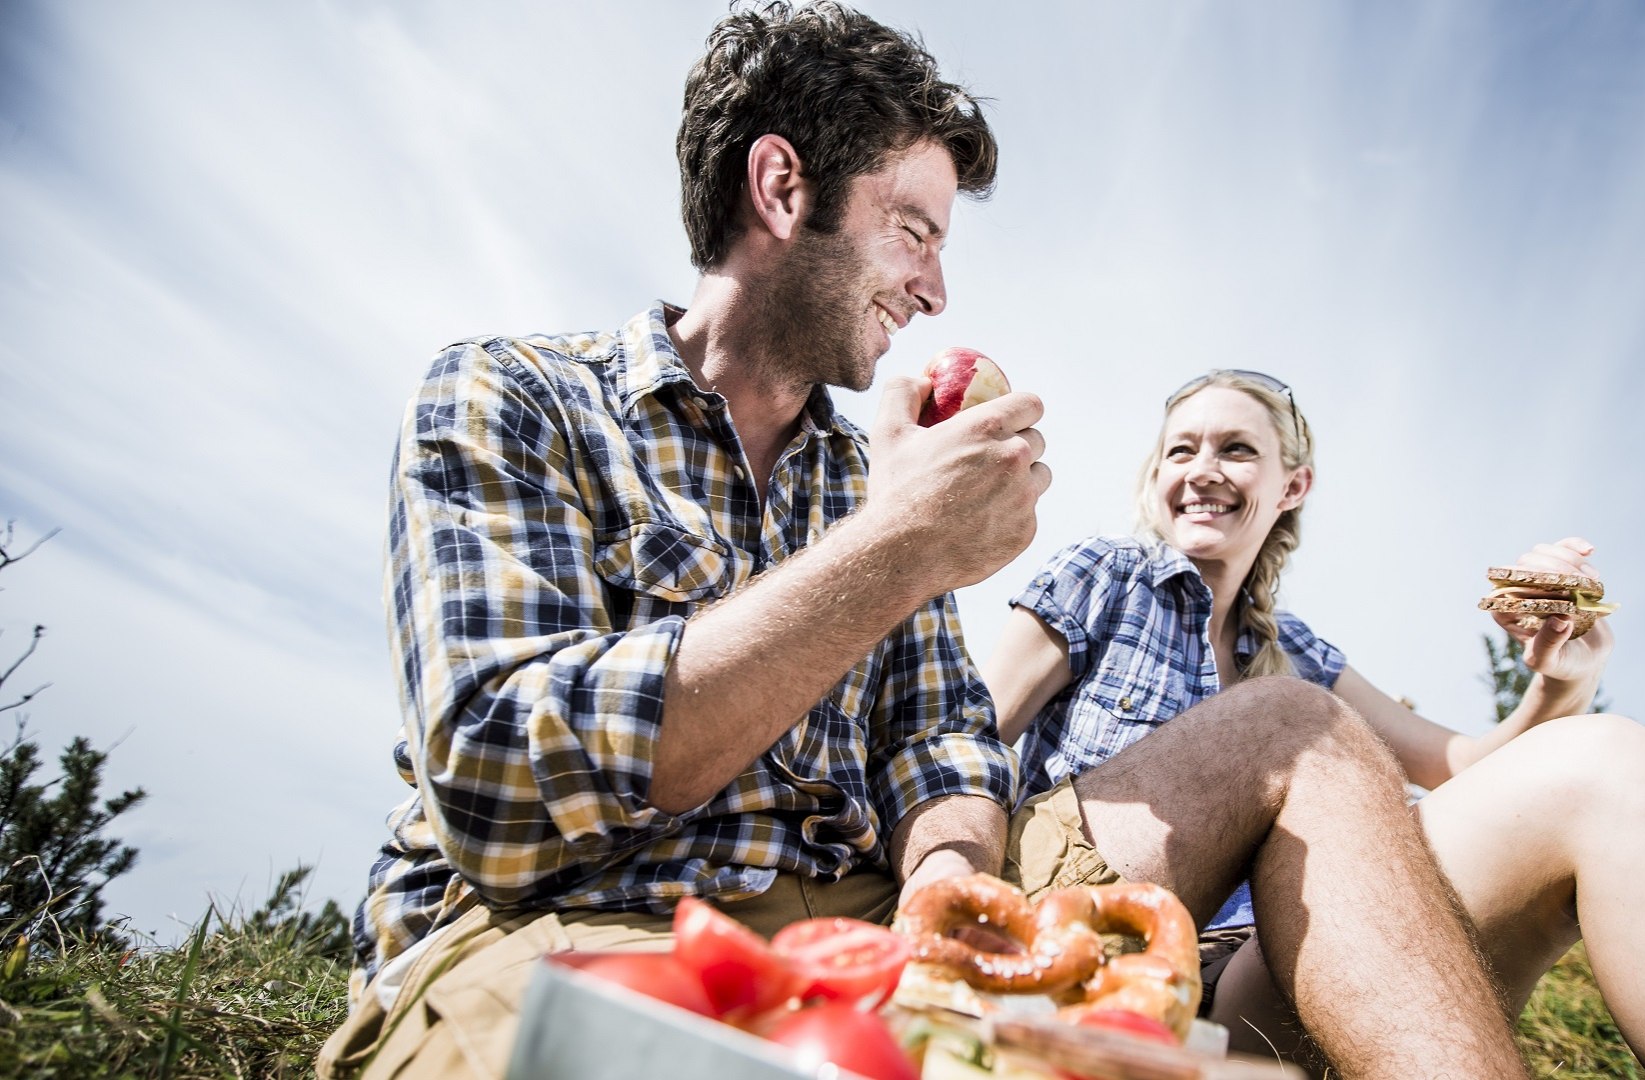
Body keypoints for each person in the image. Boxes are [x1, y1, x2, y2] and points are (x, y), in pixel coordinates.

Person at [319, 7, 1536, 1079]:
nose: (937, 290)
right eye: (912, 229)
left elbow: (941, 736)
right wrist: (900, 547)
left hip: (869, 913)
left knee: (1292, 725)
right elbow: (496, 783)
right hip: (570, 925)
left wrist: (944, 882)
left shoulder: (865, 468)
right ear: (783, 190)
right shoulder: (511, 398)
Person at [984, 368, 1645, 1078]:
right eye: (1179, 450)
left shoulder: (1297, 651)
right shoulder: (1103, 575)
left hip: (1253, 980)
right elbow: (967, 741)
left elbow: (1465, 769)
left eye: (1235, 449)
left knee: (1602, 768)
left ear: (1292, 487)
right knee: (1290, 726)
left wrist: (1556, 685)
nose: (1201, 471)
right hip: (1089, 937)